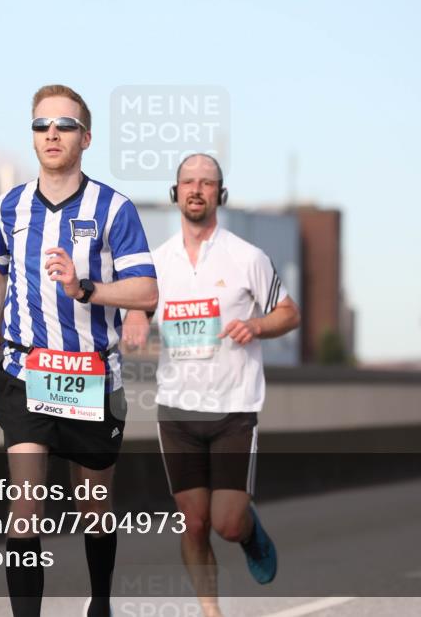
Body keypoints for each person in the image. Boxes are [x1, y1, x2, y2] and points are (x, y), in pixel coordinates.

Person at [0, 84, 158, 617]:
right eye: (41, 125)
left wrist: (85, 288)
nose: (52, 134)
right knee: (24, 506)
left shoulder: (113, 208)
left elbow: (146, 291)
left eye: (65, 125)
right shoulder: (10, 206)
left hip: (90, 376)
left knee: (94, 504)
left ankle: (101, 603)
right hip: (25, 369)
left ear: (85, 138)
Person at [121, 153, 300, 617]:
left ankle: (248, 530)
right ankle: (210, 611)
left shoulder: (246, 257)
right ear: (175, 192)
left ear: (220, 194)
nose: (196, 189)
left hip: (233, 408)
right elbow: (136, 307)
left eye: (206, 182)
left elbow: (288, 313)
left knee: (226, 523)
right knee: (195, 523)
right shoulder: (156, 262)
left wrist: (256, 326)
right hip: (177, 410)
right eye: (188, 182)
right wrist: (136, 318)